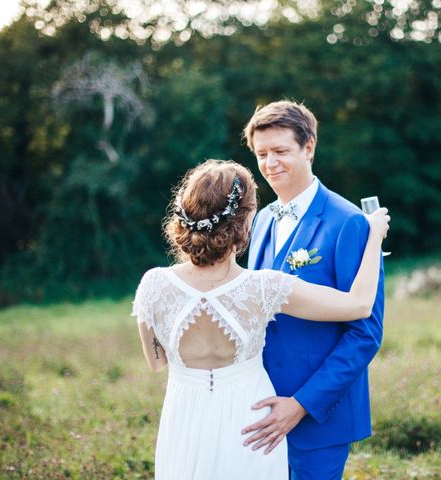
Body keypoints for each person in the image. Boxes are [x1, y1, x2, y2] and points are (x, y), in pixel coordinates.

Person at [131, 159, 389, 480]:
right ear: (246, 218)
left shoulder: (153, 285)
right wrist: (374, 235)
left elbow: (157, 362)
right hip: (250, 422)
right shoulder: (262, 287)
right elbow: (359, 305)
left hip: (184, 417)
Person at [242, 100, 385, 479]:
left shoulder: (350, 222)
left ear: (309, 148)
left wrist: (300, 405)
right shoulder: (261, 221)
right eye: (262, 154)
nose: (270, 163)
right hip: (259, 409)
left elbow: (365, 333)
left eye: (281, 151)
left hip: (318, 416)